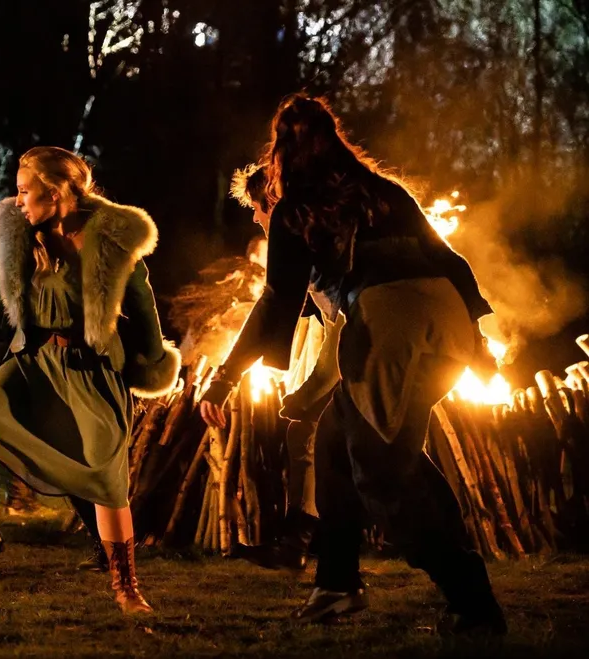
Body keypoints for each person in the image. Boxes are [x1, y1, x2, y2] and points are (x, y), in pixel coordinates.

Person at [199, 94, 505, 634]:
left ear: (279, 153)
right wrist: (478, 341)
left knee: (382, 475)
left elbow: (277, 300)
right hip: (447, 324)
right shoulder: (385, 192)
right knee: (338, 442)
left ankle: (472, 598)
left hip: (390, 330)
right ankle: (336, 584)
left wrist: (224, 378)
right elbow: (450, 261)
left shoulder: (294, 208)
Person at [0, 146, 180, 614]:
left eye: (25, 191)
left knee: (105, 476)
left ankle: (126, 585)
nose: (18, 201)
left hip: (90, 369)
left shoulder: (111, 241)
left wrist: (151, 362)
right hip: (32, 363)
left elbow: (143, 308)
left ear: (54, 194)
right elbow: (0, 302)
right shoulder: (19, 238)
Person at [226, 164, 342, 570]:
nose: (255, 218)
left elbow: (339, 320)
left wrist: (312, 389)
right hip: (355, 343)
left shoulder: (317, 240)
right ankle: (307, 542)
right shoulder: (308, 241)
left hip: (376, 344)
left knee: (367, 448)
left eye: (258, 208)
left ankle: (314, 545)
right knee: (309, 434)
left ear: (274, 201)